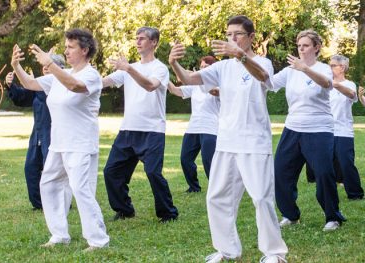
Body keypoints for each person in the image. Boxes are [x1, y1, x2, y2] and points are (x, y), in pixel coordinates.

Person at [169, 15, 288, 263]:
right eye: (228, 35)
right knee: (217, 197)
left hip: (254, 141)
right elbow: (190, 79)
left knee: (261, 197)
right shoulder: (222, 67)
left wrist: (240, 56)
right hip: (226, 141)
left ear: (252, 37)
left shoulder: (262, 62)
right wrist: (174, 64)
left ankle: (274, 253)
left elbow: (264, 78)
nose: (232, 39)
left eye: (238, 35)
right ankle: (227, 250)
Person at [10, 28, 110, 251]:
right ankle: (59, 234)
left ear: (84, 50)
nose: (66, 51)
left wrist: (51, 65)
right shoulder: (57, 76)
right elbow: (30, 84)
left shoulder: (90, 75)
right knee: (48, 184)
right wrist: (16, 66)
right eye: (65, 47)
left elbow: (75, 86)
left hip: (81, 144)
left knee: (81, 189)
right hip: (58, 143)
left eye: (71, 47)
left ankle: (98, 240)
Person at [271, 30, 346, 232]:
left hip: (319, 129)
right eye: (299, 45)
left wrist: (304, 69)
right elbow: (267, 83)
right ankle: (290, 214)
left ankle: (332, 217)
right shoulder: (289, 71)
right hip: (293, 127)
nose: (301, 49)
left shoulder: (324, 68)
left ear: (316, 48)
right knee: (280, 172)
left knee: (323, 174)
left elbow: (327, 84)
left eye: (305, 45)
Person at [101, 26, 178, 222]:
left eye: (142, 38)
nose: (137, 42)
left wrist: (128, 68)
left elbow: (150, 85)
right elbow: (103, 82)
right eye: (136, 38)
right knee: (111, 171)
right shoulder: (129, 69)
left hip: (152, 131)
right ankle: (124, 210)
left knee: (153, 172)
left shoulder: (160, 68)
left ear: (153, 42)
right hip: (128, 130)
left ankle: (168, 213)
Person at [5, 53, 66, 210]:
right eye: (44, 65)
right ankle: (39, 204)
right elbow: (22, 97)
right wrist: (10, 85)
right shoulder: (38, 85)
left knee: (52, 169)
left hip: (54, 133)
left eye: (49, 64)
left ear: (59, 68)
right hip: (38, 133)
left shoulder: (64, 85)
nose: (45, 67)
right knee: (30, 168)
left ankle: (59, 201)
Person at [307, 54, 365, 199]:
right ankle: (327, 192)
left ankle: (355, 193)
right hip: (324, 130)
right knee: (324, 165)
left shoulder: (349, 84)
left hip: (343, 131)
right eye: (329, 65)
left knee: (346, 163)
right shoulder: (323, 83)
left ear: (342, 67)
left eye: (333, 65)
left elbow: (352, 95)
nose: (330, 68)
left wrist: (336, 85)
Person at [167, 56, 220, 193]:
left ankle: (217, 189)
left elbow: (214, 91)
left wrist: (195, 76)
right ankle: (194, 187)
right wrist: (164, 79)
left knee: (209, 161)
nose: (202, 70)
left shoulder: (220, 84)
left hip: (210, 128)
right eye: (201, 68)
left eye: (206, 68)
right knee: (185, 159)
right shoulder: (195, 86)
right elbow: (176, 90)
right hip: (193, 128)